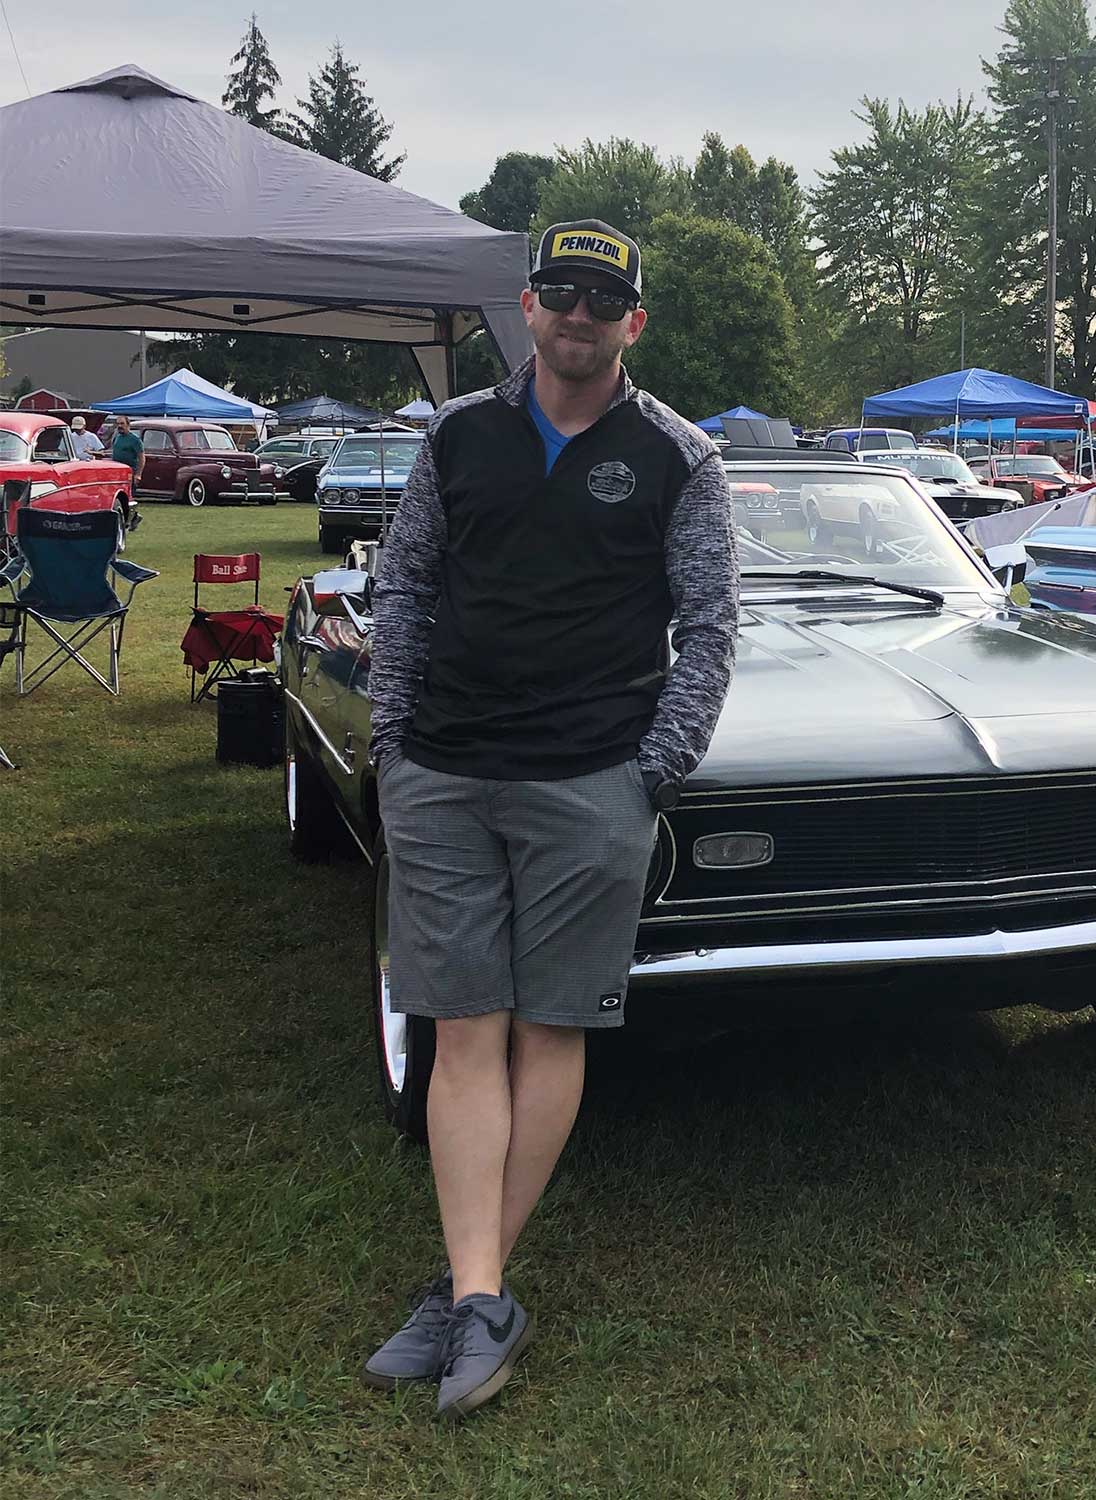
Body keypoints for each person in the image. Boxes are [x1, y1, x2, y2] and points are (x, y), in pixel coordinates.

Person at [364, 219, 738, 1420]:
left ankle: (469, 1295)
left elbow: (711, 628)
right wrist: (391, 746)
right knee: (462, 1031)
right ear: (527, 308)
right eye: (560, 294)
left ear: (636, 321)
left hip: (590, 781)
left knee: (548, 1029)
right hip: (445, 774)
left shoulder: (682, 457)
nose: (578, 316)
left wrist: (651, 772)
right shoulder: (458, 437)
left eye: (603, 300)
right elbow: (409, 587)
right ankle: (483, 1296)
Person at [108, 414, 143, 487]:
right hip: (117, 471)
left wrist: (138, 474)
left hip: (129, 471)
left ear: (128, 424)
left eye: (122, 423)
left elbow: (141, 458)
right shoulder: (117, 437)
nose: (119, 426)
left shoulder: (135, 440)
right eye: (118, 424)